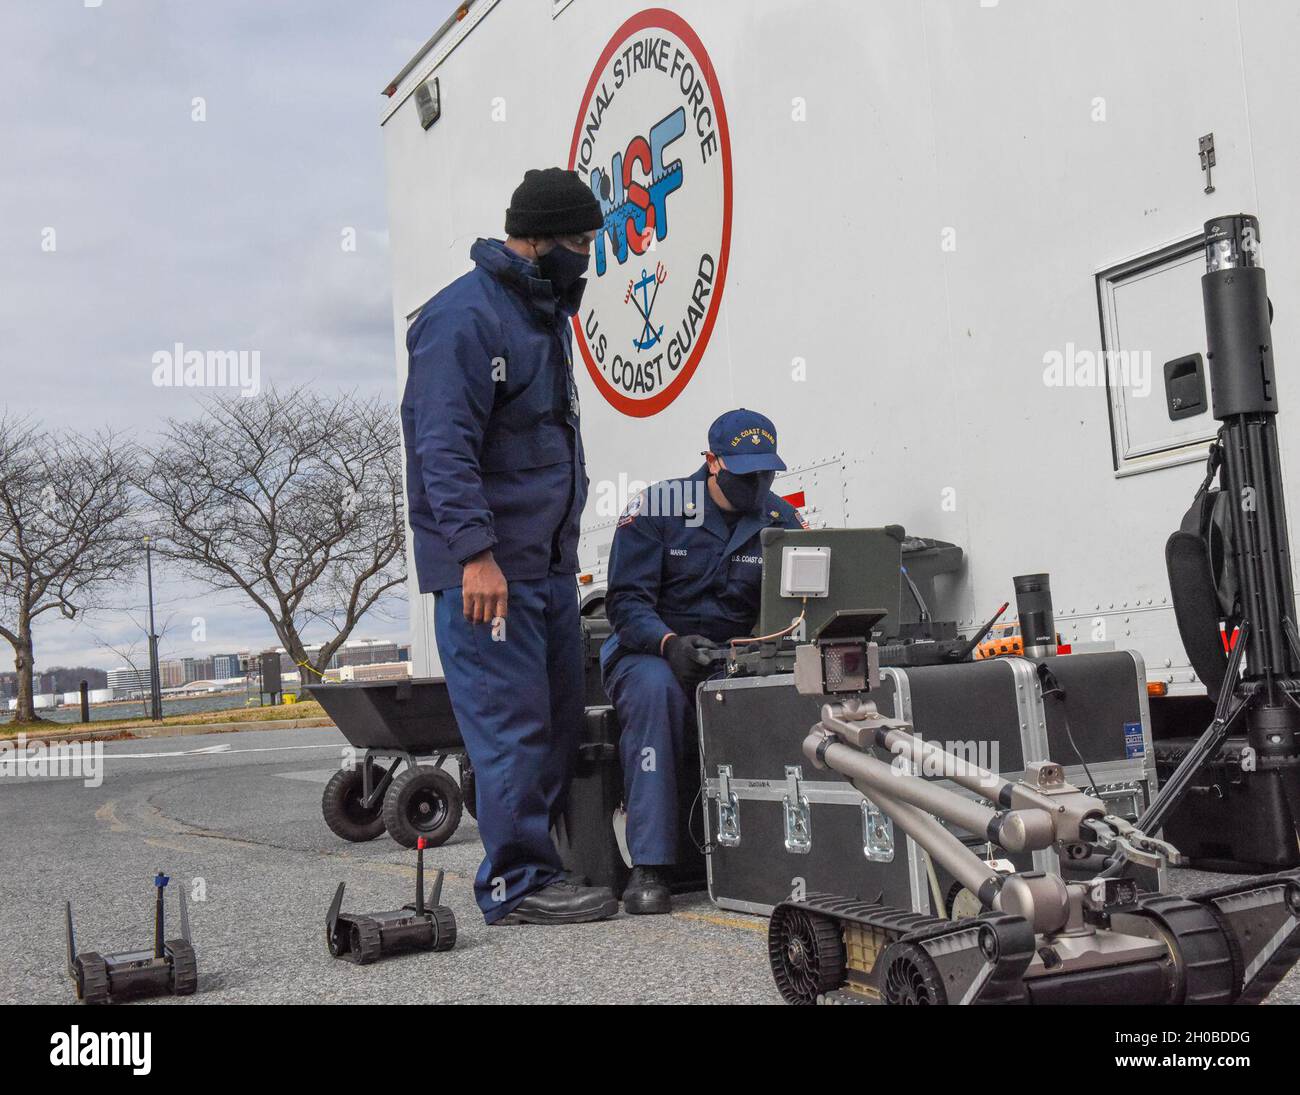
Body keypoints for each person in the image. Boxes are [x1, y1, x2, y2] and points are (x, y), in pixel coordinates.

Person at [401, 167, 618, 926]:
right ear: (536, 238)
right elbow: (443, 448)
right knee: (511, 724)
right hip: (488, 572)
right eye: (580, 241)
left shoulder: (540, 315)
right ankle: (518, 883)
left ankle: (546, 865)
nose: (588, 255)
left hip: (545, 568)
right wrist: (473, 553)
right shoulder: (463, 319)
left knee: (556, 721)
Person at [600, 409, 806, 914]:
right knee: (657, 692)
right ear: (712, 462)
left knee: (796, 687)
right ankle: (650, 863)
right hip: (650, 652)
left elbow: (801, 604)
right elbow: (625, 604)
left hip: (734, 654)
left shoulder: (780, 521)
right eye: (744, 473)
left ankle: (784, 852)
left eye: (766, 473)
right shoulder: (657, 507)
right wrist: (669, 644)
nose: (757, 485)